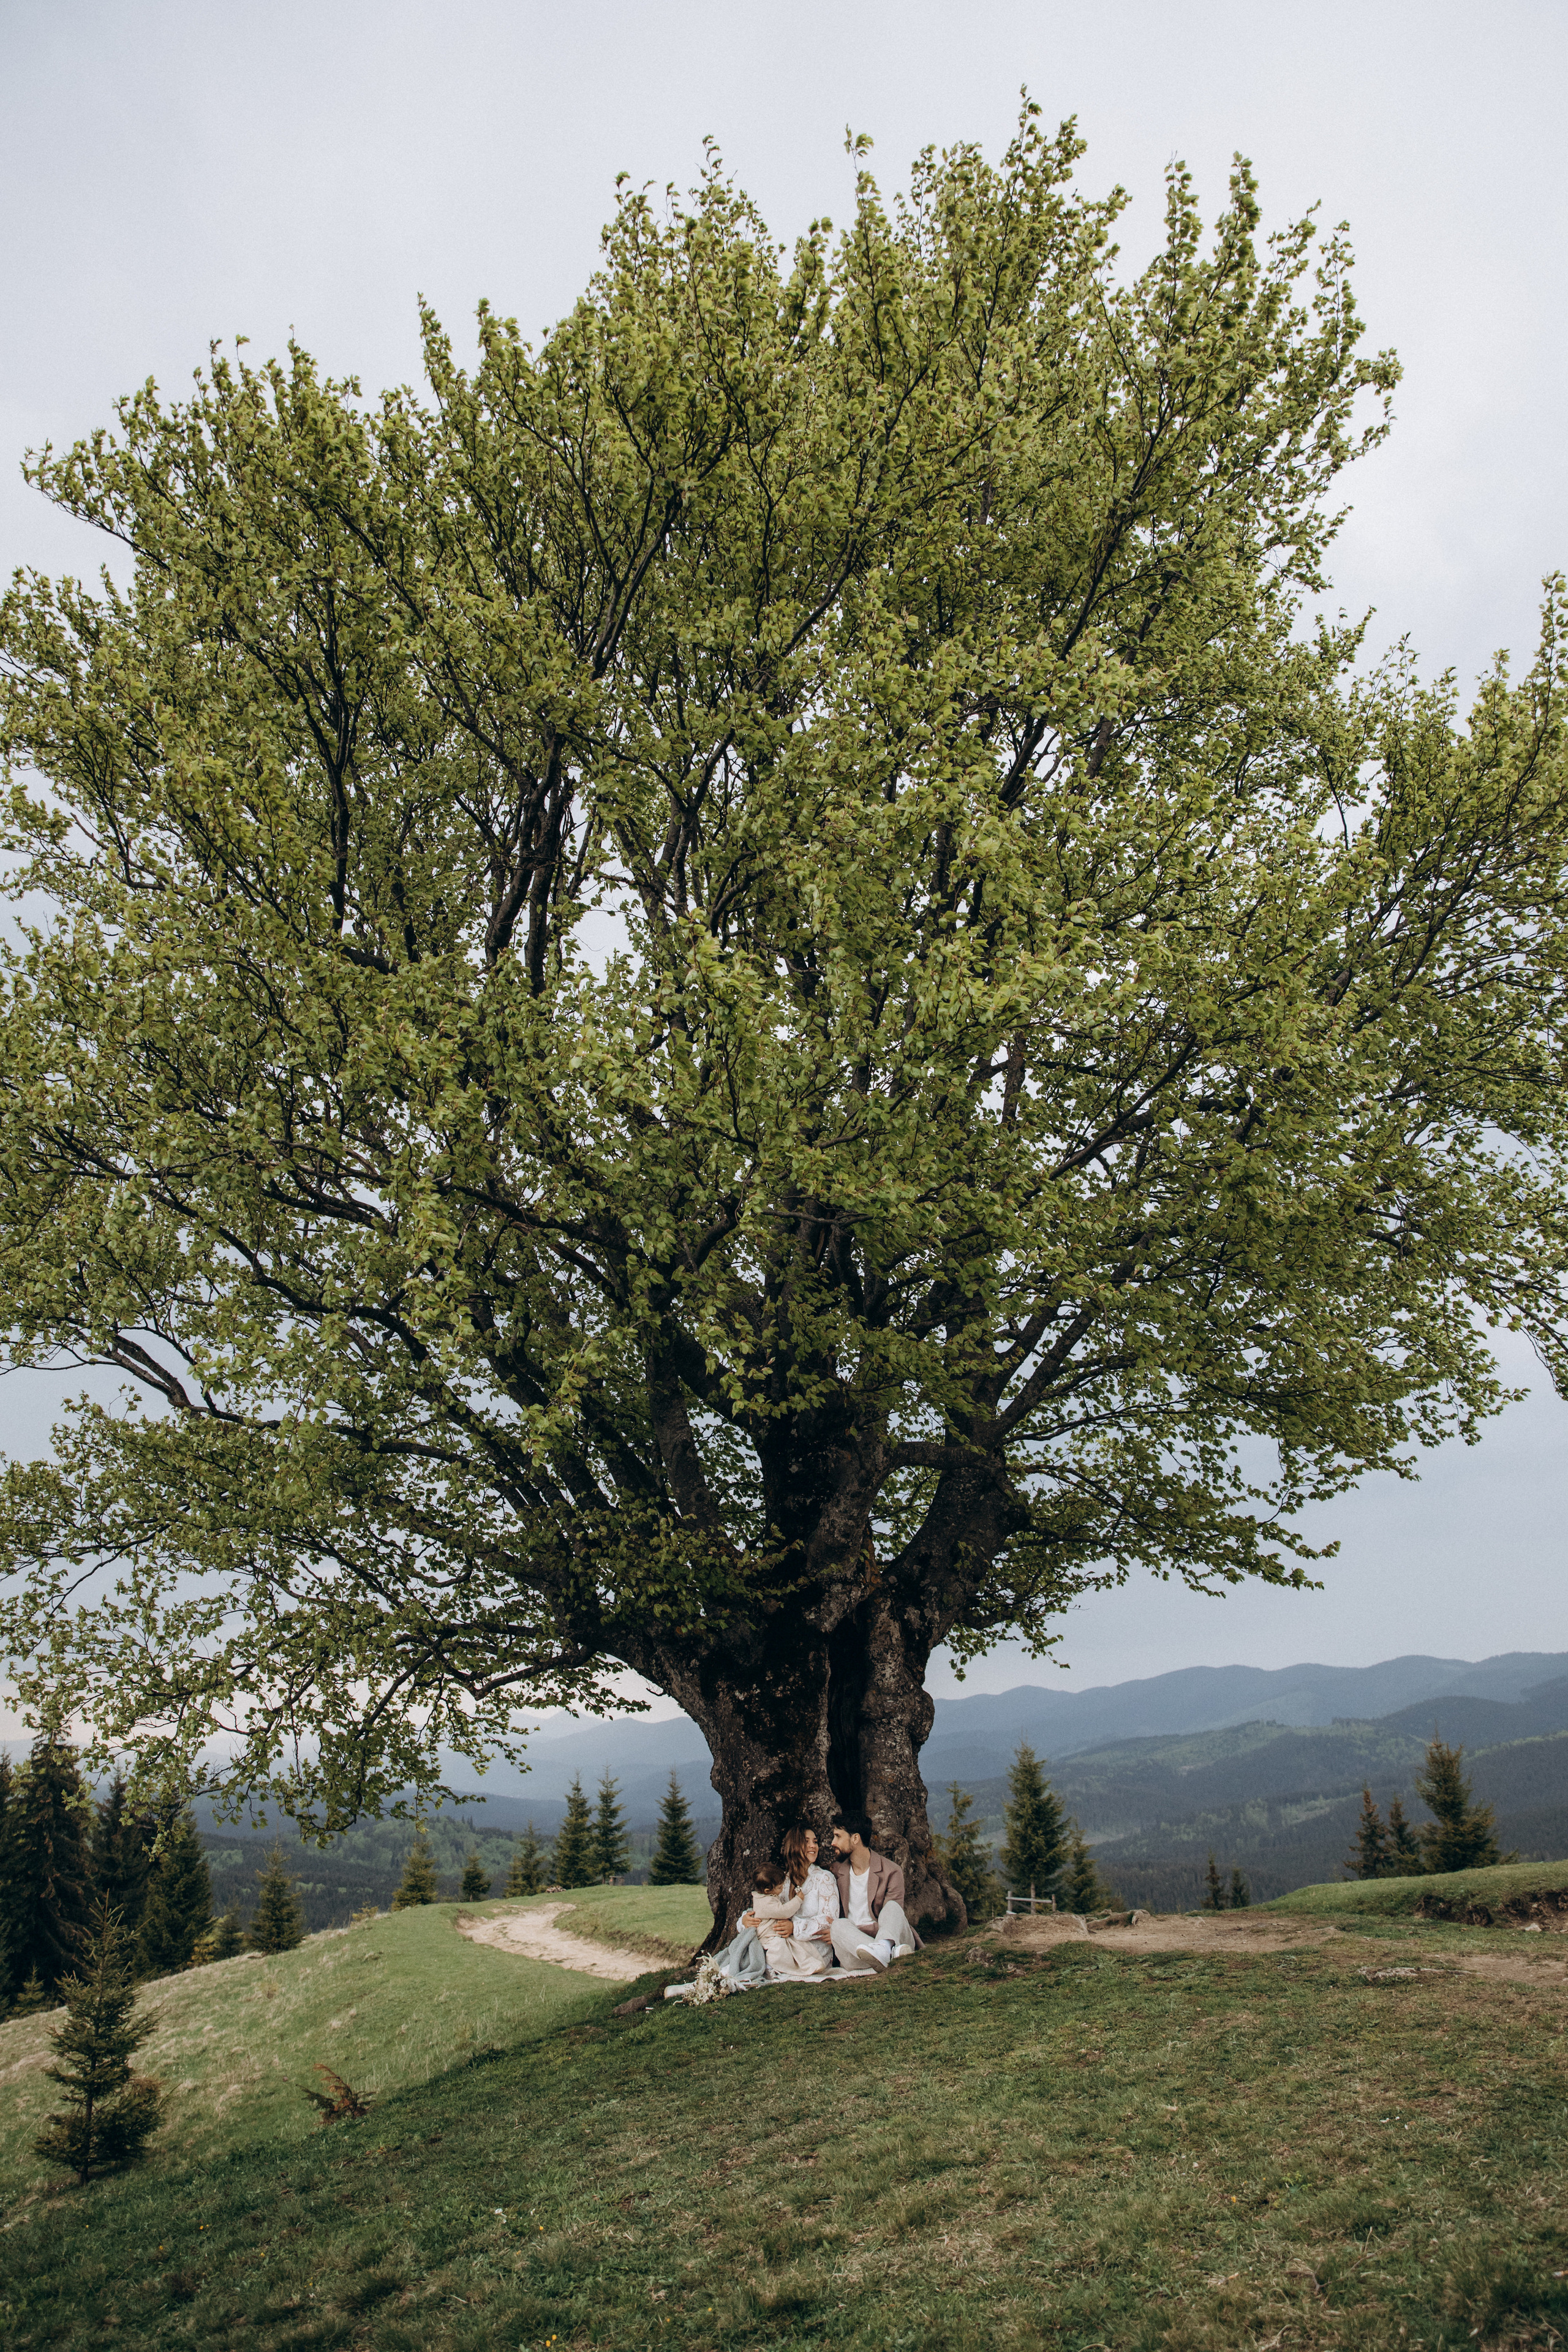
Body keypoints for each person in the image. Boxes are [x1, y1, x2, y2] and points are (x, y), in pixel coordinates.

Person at [827, 1811, 919, 1971]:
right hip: (857, 1952)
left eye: (838, 1836)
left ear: (855, 1838)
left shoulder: (891, 1871)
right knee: (837, 1926)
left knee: (892, 1908)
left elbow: (893, 1922)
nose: (833, 1843)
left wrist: (861, 1930)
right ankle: (889, 1956)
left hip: (894, 1939)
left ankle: (884, 1949)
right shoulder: (836, 1872)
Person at [744, 1823, 837, 1976]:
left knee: (771, 1953)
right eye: (806, 1842)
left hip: (813, 1950)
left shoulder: (824, 1878)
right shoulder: (783, 1880)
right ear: (793, 1846)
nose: (813, 1846)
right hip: (782, 1944)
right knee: (762, 1949)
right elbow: (767, 1906)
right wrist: (745, 1920)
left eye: (815, 1842)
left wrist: (794, 1927)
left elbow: (829, 1920)